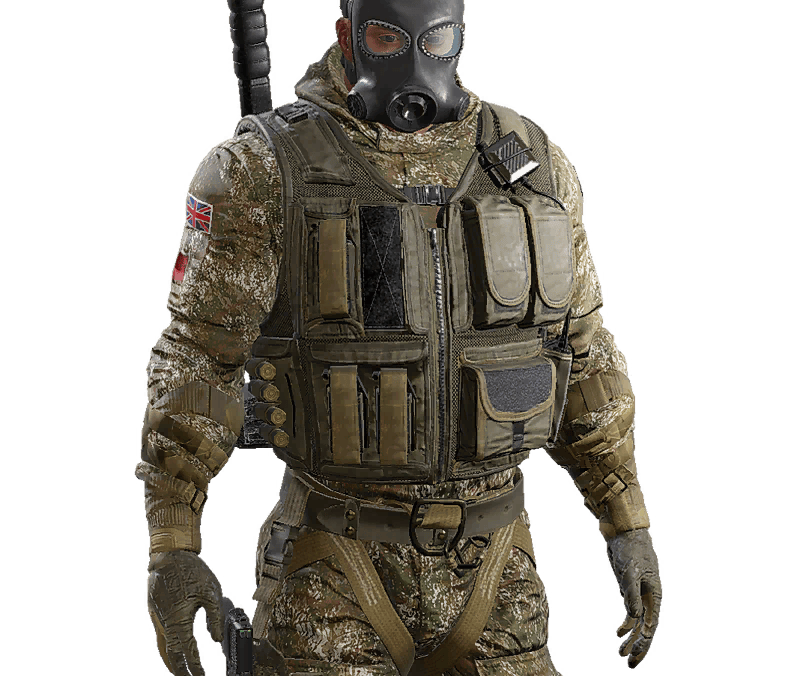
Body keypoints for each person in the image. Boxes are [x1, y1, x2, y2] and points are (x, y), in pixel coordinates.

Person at [137, 1, 663, 674]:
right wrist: (173, 542)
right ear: (347, 36)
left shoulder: (534, 168)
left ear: (461, 36)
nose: (414, 61)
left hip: (498, 566)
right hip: (333, 565)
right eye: (387, 38)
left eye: (434, 38)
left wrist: (626, 519)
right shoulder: (262, 169)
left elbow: (585, 355)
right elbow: (198, 359)